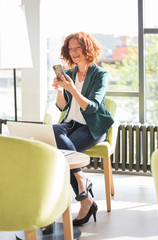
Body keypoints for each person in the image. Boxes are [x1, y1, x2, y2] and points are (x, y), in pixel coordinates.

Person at [52, 32, 114, 226]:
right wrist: (61, 90)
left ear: (87, 49)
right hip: (70, 124)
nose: (74, 52)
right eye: (70, 49)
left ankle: (83, 202)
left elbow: (93, 106)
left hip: (91, 127)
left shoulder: (100, 74)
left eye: (77, 47)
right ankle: (82, 181)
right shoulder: (69, 74)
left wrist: (72, 89)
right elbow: (62, 107)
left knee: (61, 156)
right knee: (54, 130)